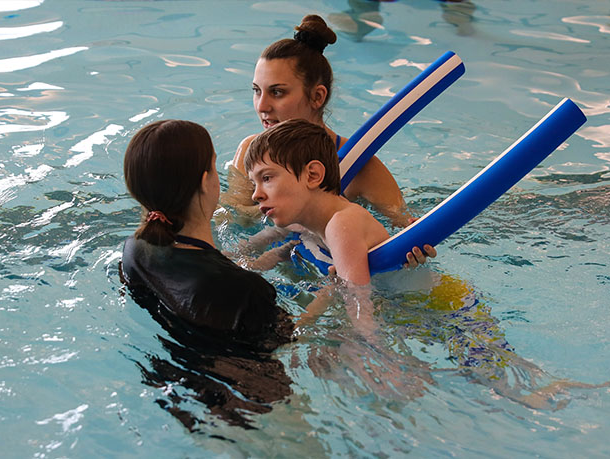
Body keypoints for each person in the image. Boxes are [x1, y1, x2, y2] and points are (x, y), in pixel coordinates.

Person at [120, 119, 295, 428]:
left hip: (177, 400)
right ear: (205, 181)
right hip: (255, 409)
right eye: (215, 168)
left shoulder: (136, 251)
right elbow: (294, 341)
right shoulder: (247, 291)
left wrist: (258, 257)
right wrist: (336, 287)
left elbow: (201, 276)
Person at [223, 13, 435, 266]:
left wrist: (412, 251)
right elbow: (231, 222)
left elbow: (404, 227)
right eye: (257, 91)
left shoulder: (361, 166)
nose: (262, 106)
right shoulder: (251, 151)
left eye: (277, 92)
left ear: (317, 97)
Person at [245, 118, 389, 286]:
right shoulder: (307, 221)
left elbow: (360, 305)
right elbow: (248, 249)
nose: (255, 195)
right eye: (254, 184)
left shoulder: (342, 224)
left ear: (312, 175)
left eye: (267, 178)